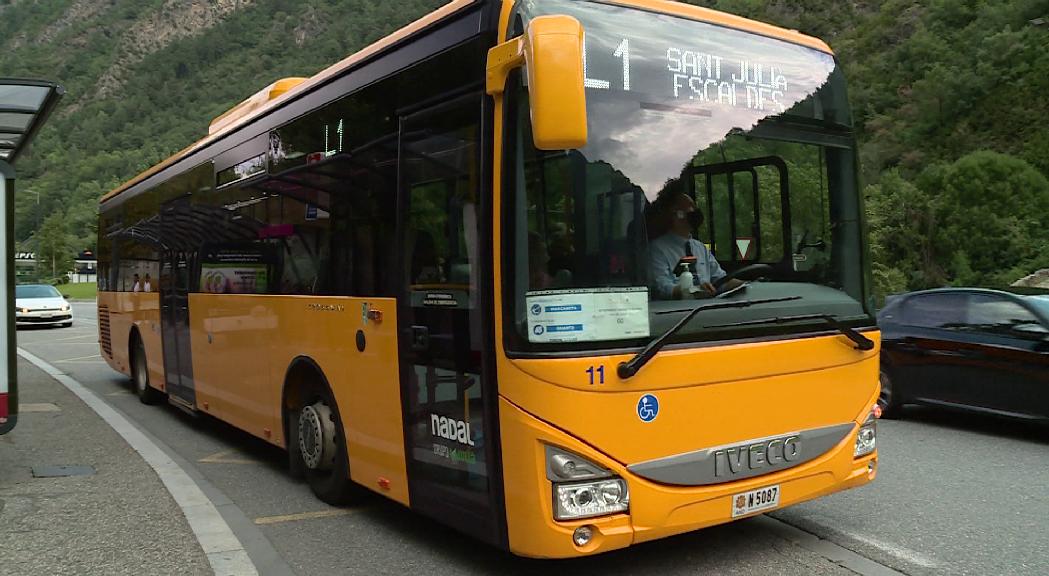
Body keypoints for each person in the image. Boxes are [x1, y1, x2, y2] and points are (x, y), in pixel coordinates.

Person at [647, 191, 742, 299]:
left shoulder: (701, 248)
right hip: (680, 312)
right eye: (690, 208)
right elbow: (661, 287)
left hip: (706, 308)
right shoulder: (657, 249)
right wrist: (692, 291)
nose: (695, 212)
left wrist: (744, 284)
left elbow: (720, 279)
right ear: (677, 214)